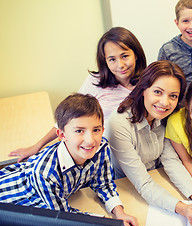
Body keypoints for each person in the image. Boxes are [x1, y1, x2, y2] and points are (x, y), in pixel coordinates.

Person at [106, 60, 192, 226]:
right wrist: (184, 209)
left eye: (173, 96)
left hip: (159, 182)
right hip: (127, 190)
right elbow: (143, 184)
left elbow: (171, 162)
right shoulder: (119, 123)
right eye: (158, 92)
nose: (165, 102)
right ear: (143, 89)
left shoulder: (164, 116)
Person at [0, 93, 139, 226]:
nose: (90, 140)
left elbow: (103, 185)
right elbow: (65, 220)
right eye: (79, 131)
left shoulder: (101, 147)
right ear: (62, 134)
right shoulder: (45, 173)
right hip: (12, 201)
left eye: (96, 130)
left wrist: (119, 213)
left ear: (102, 130)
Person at [9, 27, 146, 162]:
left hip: (131, 156)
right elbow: (70, 116)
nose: (120, 65)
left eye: (125, 56)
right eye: (112, 59)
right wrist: (38, 145)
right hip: (92, 152)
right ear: (105, 61)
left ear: (136, 54)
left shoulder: (148, 84)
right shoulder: (96, 82)